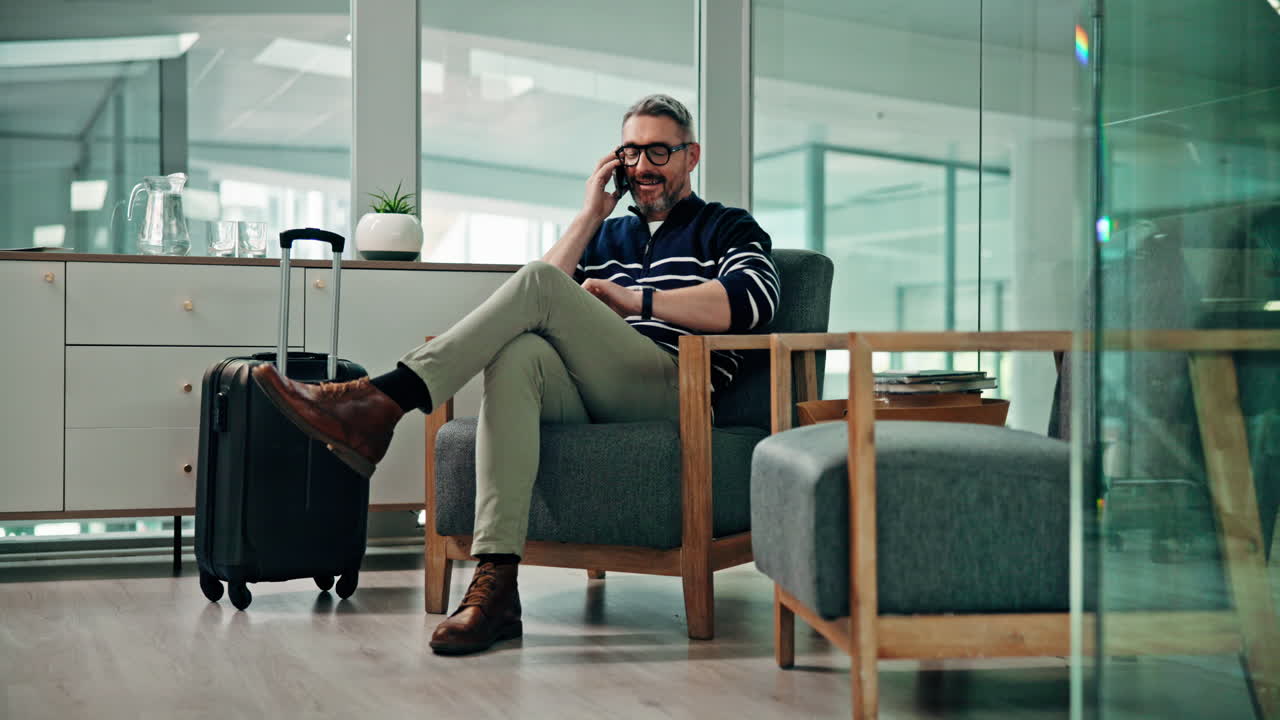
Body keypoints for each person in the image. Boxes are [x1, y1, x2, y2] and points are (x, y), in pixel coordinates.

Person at [251, 94, 780, 655]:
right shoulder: (605, 236)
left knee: (538, 286)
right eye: (631, 153)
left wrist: (634, 300)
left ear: (690, 156)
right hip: (593, 393)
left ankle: (385, 400)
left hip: (672, 388)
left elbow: (752, 301)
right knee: (518, 353)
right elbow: (541, 296)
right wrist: (589, 217)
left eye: (658, 152)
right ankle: (497, 585)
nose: (643, 167)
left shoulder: (725, 226)